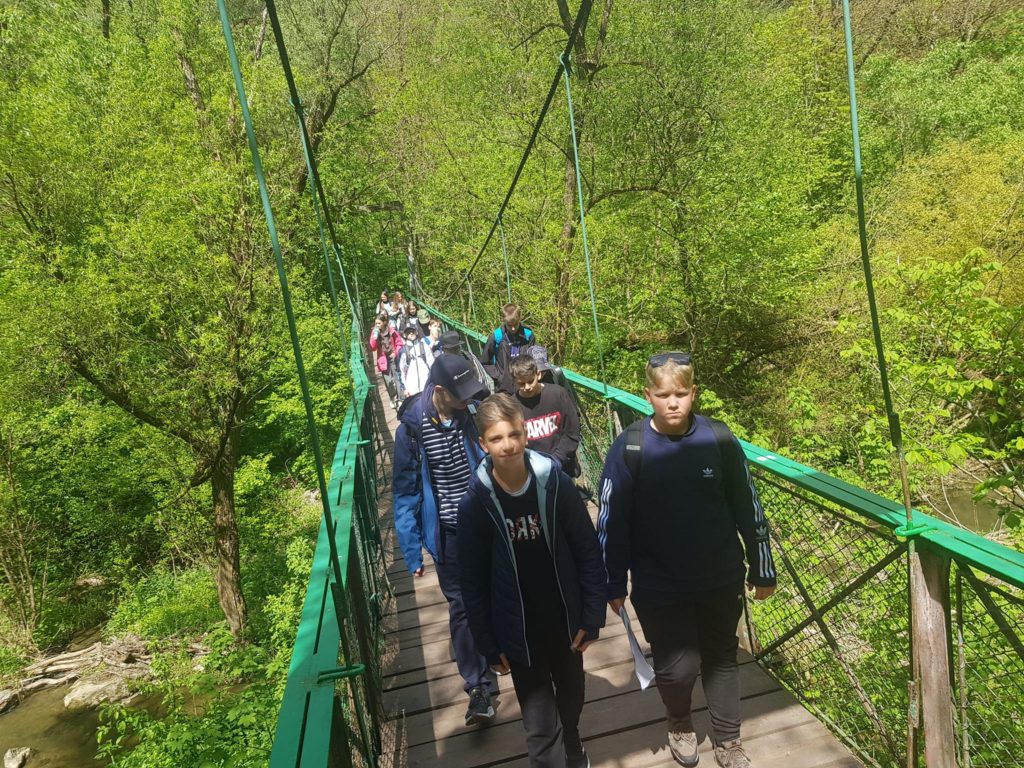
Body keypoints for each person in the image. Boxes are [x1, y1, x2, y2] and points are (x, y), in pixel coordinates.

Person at [597, 353, 777, 768]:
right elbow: (611, 518)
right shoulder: (630, 447)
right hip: (658, 583)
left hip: (720, 576)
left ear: (694, 393)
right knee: (677, 667)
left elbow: (748, 505)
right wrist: (612, 581)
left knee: (721, 658)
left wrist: (762, 566)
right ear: (648, 396)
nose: (673, 402)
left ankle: (728, 740)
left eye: (680, 393)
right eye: (663, 395)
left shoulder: (718, 439)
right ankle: (679, 722)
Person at [458, 393, 605, 768]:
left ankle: (571, 736)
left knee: (572, 693)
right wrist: (488, 643)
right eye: (496, 438)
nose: (507, 445)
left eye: (513, 435)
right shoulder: (475, 503)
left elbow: (586, 548)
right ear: (483, 444)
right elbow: (471, 581)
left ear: (525, 434)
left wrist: (592, 615)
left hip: (564, 616)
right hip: (517, 627)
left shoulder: (554, 484)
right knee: (538, 724)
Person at [392, 354, 496, 726]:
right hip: (447, 533)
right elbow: (404, 491)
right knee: (462, 607)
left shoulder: (473, 413)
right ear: (440, 391)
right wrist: (412, 550)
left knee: (497, 591)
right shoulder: (411, 430)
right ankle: (478, 687)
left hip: (486, 522)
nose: (469, 400)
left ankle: (502, 651)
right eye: (461, 394)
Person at [509, 350, 582, 479]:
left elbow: (572, 431)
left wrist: (556, 460)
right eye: (521, 384)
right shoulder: (511, 405)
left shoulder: (558, 394)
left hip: (563, 467)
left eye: (530, 381)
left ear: (538, 374)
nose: (527, 387)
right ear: (514, 381)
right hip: (531, 471)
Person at [480, 303, 536, 394]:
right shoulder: (497, 336)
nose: (513, 328)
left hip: (524, 385)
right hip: (504, 387)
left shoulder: (528, 335)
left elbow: (533, 359)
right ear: (503, 320)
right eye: (509, 325)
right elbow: (485, 362)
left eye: (515, 324)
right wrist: (499, 377)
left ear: (520, 318)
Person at [369, 312, 404, 410]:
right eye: (376, 323)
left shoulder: (391, 331)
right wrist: (374, 337)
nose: (377, 325)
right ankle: (393, 397)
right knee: (388, 381)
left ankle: (400, 399)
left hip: (393, 357)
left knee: (397, 378)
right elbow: (372, 348)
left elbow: (399, 343)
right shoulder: (375, 332)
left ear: (384, 322)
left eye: (379, 323)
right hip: (383, 359)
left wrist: (395, 353)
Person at [398, 324, 433, 399]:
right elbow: (401, 371)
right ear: (404, 335)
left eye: (412, 331)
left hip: (427, 385)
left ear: (416, 332)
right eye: (408, 332)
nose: (411, 333)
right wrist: (404, 388)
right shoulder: (403, 351)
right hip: (412, 389)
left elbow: (432, 364)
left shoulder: (424, 346)